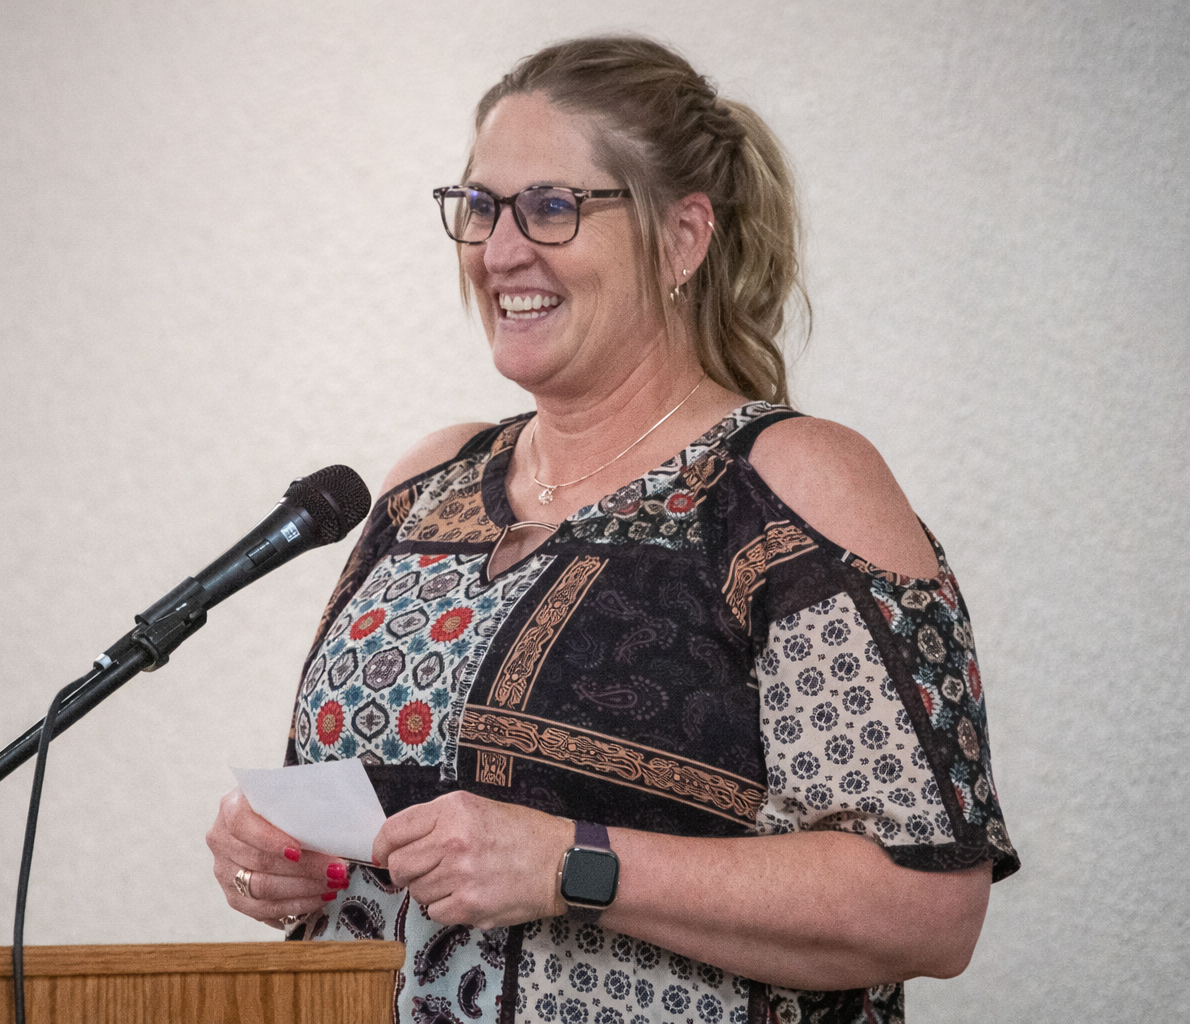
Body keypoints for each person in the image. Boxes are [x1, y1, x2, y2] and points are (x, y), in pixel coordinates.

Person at [206, 35, 1018, 1024]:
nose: (502, 250)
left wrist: (572, 865)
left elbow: (931, 905)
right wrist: (277, 856)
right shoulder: (430, 486)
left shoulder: (788, 484)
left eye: (552, 205)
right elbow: (372, 833)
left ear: (683, 237)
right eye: (479, 207)